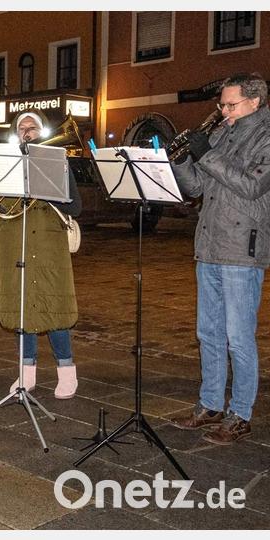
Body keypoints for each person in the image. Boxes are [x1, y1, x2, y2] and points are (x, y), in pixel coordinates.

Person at [169, 73, 270, 445]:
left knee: (238, 337)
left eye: (230, 105)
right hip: (209, 244)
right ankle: (210, 403)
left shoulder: (266, 135)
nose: (222, 111)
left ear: (255, 102)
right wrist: (181, 161)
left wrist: (206, 153)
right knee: (207, 332)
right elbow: (196, 187)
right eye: (221, 105)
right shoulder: (223, 131)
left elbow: (251, 185)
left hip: (242, 247)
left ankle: (241, 412)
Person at [0, 111, 81, 399]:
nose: (27, 132)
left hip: (48, 247)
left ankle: (66, 371)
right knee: (21, 309)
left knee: (55, 308)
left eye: (33, 128)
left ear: (41, 133)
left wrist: (47, 183)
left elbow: (76, 207)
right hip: (13, 245)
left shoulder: (56, 162)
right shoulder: (5, 162)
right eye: (22, 128)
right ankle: (25, 373)